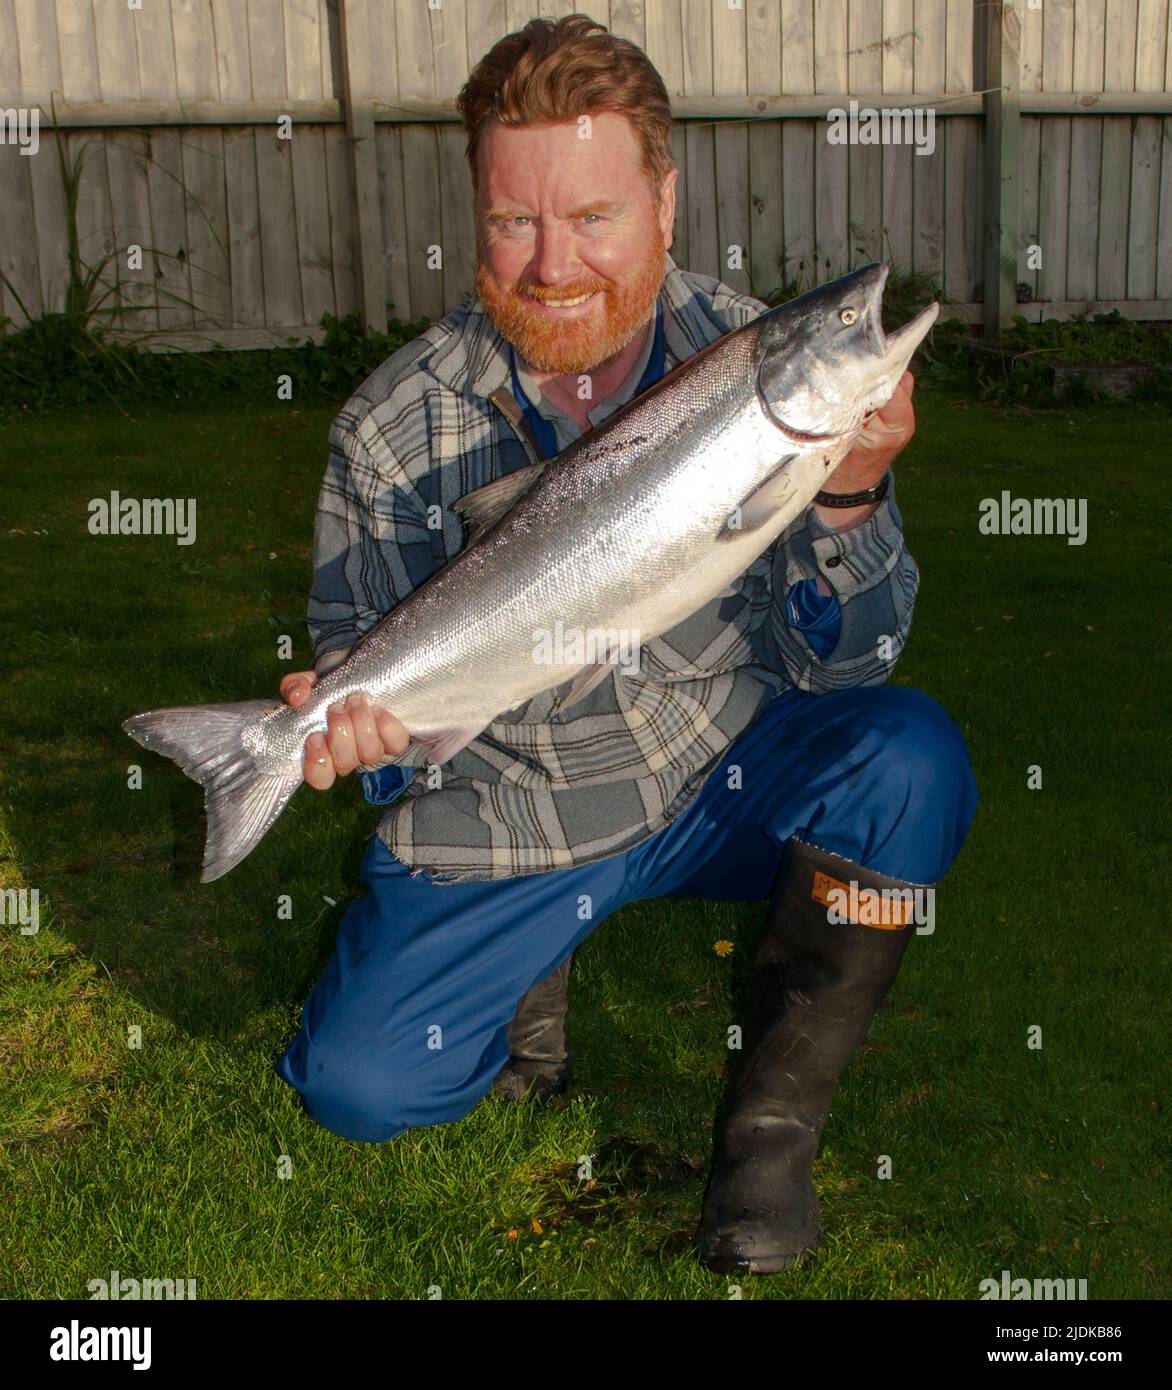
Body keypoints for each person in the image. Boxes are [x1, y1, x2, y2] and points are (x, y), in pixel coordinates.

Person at [273, 14, 978, 1275]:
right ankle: (523, 981)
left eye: (591, 216)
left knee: (906, 755)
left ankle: (766, 1144)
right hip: (507, 810)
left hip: (720, 771)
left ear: (664, 199)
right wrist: (355, 734)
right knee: (360, 1089)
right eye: (511, 222)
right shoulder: (389, 424)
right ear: (475, 213)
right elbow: (359, 673)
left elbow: (846, 665)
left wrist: (849, 493)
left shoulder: (754, 355)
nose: (552, 264)